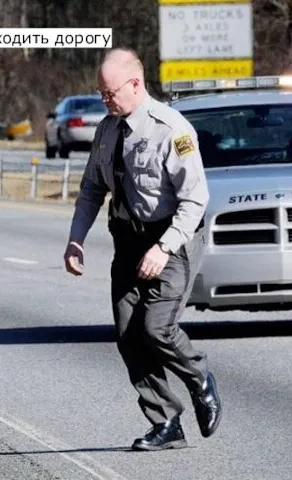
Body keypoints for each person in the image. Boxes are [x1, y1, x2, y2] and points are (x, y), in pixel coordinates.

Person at [63, 48, 221, 451]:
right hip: (128, 241)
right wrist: (75, 239)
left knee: (157, 328)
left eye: (109, 92)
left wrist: (164, 248)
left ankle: (199, 376)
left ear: (135, 84)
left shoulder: (172, 129)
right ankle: (166, 422)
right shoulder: (107, 130)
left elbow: (195, 200)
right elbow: (91, 191)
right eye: (100, 93)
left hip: (173, 239)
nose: (104, 100)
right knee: (129, 334)